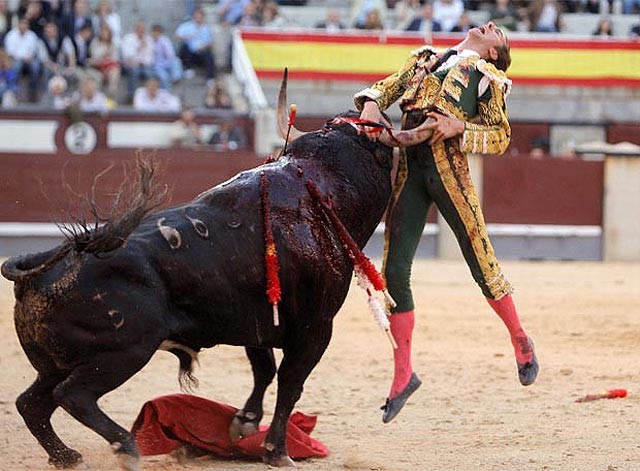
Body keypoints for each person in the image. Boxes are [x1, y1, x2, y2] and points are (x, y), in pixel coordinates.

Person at [354, 21, 538, 423]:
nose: (491, 25)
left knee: (480, 260)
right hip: (410, 170)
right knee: (394, 272)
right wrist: (370, 102)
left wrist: (460, 126)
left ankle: (519, 338)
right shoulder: (424, 57)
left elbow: (500, 136)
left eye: (499, 34)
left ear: (493, 52)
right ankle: (403, 374)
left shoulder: (487, 75)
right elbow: (388, 87)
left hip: (448, 167)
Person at [4, 17, 41, 102]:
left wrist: (29, 57)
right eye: (22, 24)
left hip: (29, 60)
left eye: (25, 24)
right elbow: (10, 53)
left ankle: (33, 91)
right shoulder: (11, 35)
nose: (24, 26)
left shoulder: (32, 35)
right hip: (16, 59)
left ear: (28, 26)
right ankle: (14, 90)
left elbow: (34, 51)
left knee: (36, 66)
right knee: (17, 66)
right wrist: (22, 58)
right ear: (18, 24)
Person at [175, 7, 215, 85]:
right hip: (189, 53)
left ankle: (210, 78)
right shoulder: (187, 26)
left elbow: (210, 42)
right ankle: (188, 69)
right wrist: (188, 36)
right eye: (197, 16)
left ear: (203, 17)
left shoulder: (206, 28)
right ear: (194, 16)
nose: (198, 18)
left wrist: (204, 47)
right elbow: (178, 35)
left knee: (210, 55)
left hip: (201, 52)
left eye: (200, 16)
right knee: (184, 46)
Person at [121, 20, 154, 103]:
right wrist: (138, 48)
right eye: (139, 28)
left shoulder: (149, 40)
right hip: (129, 65)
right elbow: (127, 56)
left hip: (144, 65)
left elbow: (150, 58)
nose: (141, 31)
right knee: (134, 71)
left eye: (143, 29)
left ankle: (149, 98)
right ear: (136, 29)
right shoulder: (128, 38)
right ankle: (131, 97)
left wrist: (143, 62)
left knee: (150, 74)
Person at [88, 23, 120, 99]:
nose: (105, 34)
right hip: (96, 66)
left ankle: (111, 94)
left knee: (115, 71)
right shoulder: (95, 42)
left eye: (107, 32)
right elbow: (94, 56)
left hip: (109, 67)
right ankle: (95, 97)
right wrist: (105, 52)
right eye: (103, 32)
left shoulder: (112, 44)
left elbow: (115, 59)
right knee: (98, 76)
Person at [150, 23, 182, 90]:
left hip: (166, 62)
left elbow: (171, 55)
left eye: (158, 32)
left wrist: (164, 46)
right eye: (154, 32)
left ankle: (175, 78)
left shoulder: (165, 40)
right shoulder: (149, 41)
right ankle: (167, 92)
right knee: (164, 77)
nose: (156, 34)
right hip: (156, 65)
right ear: (152, 32)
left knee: (176, 61)